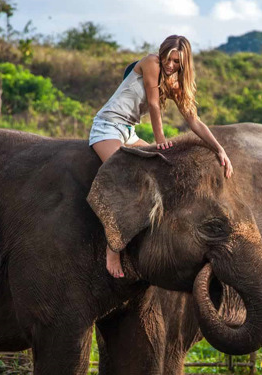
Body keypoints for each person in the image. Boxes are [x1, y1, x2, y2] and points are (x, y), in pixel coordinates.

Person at [89, 34, 234, 279]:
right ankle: (112, 249)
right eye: (168, 58)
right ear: (162, 53)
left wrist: (220, 149)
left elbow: (194, 121)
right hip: (108, 126)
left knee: (164, 170)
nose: (170, 65)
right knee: (128, 180)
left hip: (129, 132)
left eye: (176, 62)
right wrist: (160, 141)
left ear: (184, 64)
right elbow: (154, 105)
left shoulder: (174, 83)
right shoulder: (151, 62)